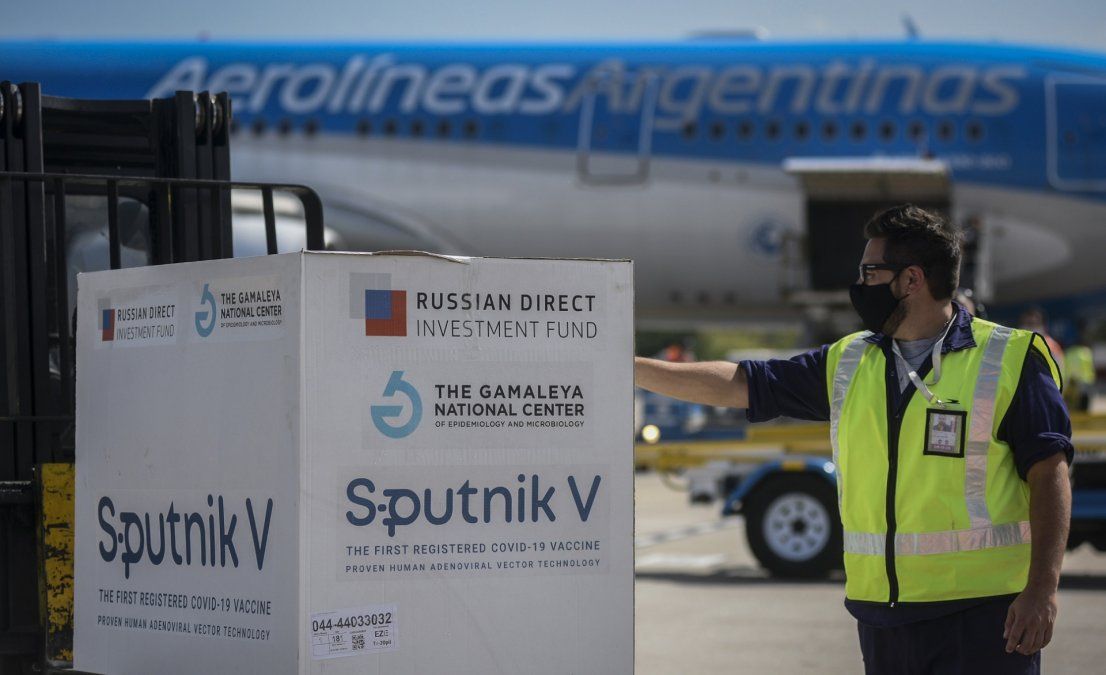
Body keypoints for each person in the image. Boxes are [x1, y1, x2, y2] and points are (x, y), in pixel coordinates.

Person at [635, 205, 1073, 674]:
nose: (859, 286)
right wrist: (630, 367)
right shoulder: (849, 361)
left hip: (984, 616)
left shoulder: (1010, 358)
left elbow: (1051, 475)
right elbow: (739, 382)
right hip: (882, 617)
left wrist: (1042, 590)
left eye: (870, 272)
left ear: (911, 280)